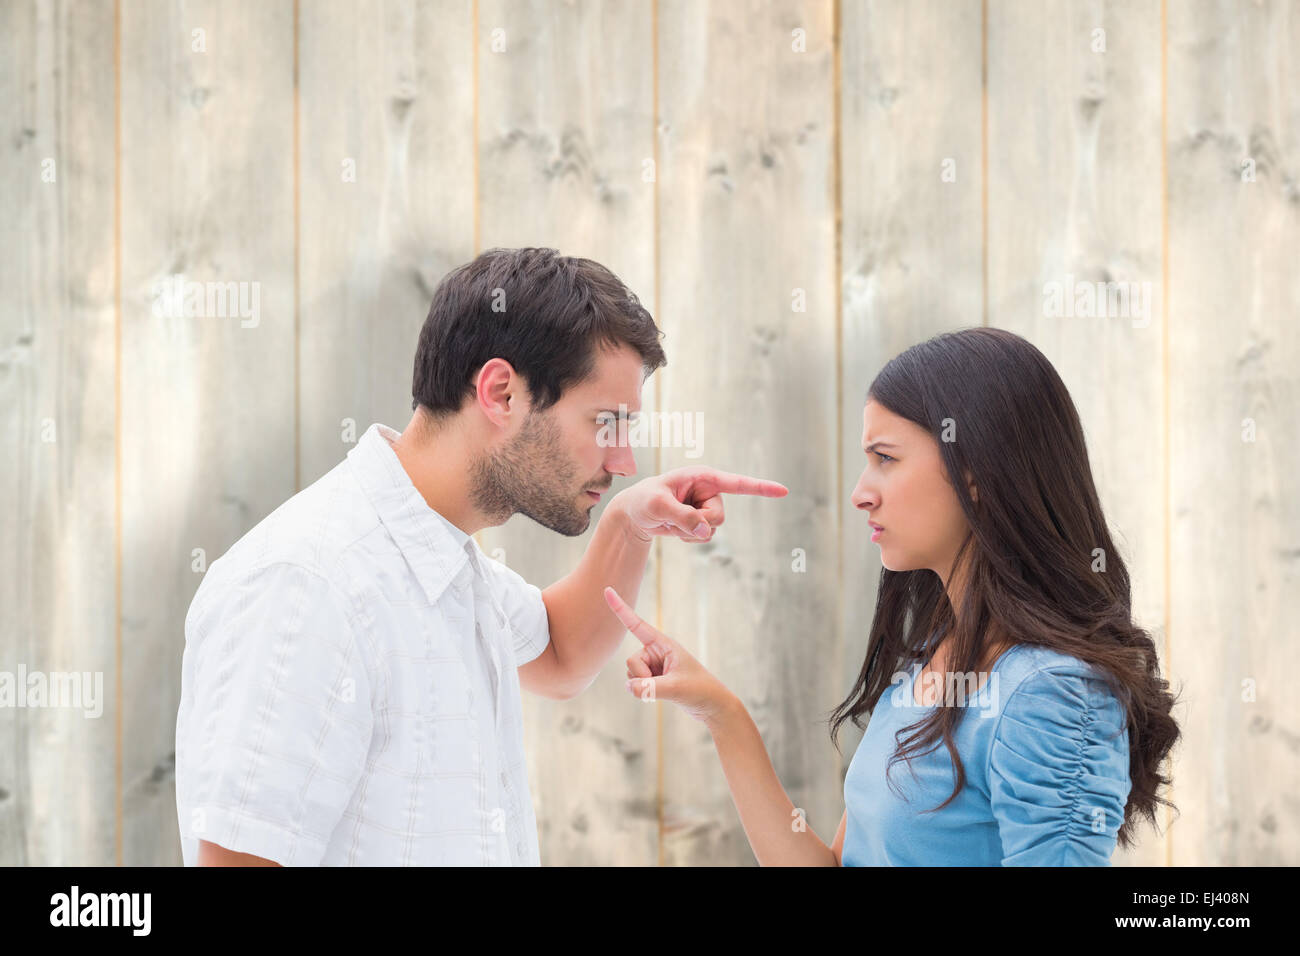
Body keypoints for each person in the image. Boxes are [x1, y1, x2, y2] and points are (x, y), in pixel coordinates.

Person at [174, 247, 787, 866]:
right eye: (605, 423)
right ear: (500, 393)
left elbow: (559, 653)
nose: (624, 460)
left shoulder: (442, 556)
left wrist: (630, 524)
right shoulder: (311, 585)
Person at [603, 326, 1182, 866]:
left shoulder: (1050, 691)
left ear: (975, 471)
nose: (861, 493)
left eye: (885, 458)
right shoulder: (933, 656)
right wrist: (719, 711)